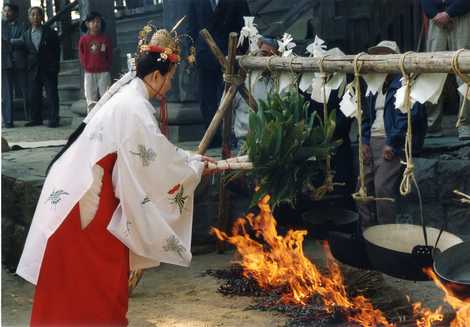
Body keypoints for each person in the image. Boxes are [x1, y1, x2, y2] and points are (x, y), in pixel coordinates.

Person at [16, 24, 214, 326]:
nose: (171, 87)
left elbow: (153, 151)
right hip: (89, 199)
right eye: (170, 79)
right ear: (156, 76)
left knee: (82, 280)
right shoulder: (134, 106)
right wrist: (193, 167)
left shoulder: (127, 96)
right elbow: (155, 163)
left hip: (83, 189)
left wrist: (188, 158)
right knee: (101, 278)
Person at [357, 41, 427, 228]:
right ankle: (367, 231)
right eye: (377, 57)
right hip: (373, 140)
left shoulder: (404, 84)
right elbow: (365, 116)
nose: (380, 62)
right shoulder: (374, 85)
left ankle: (385, 234)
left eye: (384, 57)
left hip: (390, 143)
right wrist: (364, 141)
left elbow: (408, 117)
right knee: (362, 188)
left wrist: (393, 143)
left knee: (382, 188)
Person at [189, 0, 250, 148]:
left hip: (229, 52)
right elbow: (192, 24)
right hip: (204, 53)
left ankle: (231, 136)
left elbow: (245, 25)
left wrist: (241, 53)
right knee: (206, 98)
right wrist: (190, 50)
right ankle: (212, 138)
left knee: (229, 96)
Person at [420, 0, 470, 140]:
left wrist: (449, 13)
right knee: (431, 70)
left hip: (464, 16)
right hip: (436, 19)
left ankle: (466, 125)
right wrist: (434, 14)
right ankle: (432, 124)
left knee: (465, 72)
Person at [22, 6, 61, 127]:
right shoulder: (26, 34)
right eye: (32, 15)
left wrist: (55, 66)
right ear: (29, 18)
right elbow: (26, 52)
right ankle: (36, 119)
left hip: (48, 68)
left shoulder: (50, 33)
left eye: (37, 14)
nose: (35, 17)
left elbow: (56, 51)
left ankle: (53, 119)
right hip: (33, 69)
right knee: (34, 95)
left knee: (51, 95)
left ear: (42, 17)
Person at [79, 11, 113, 113]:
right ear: (87, 24)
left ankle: (107, 119)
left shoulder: (105, 39)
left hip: (104, 73)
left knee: (106, 97)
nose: (96, 24)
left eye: (98, 21)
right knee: (90, 99)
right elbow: (81, 56)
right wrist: (87, 66)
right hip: (89, 73)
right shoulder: (83, 40)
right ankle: (91, 122)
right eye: (93, 22)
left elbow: (109, 55)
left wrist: (106, 66)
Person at [1, 3, 28, 128]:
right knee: (7, 93)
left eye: (9, 11)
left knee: (25, 90)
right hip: (5, 62)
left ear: (15, 13)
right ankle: (8, 121)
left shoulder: (23, 25)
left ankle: (30, 118)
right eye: (4, 11)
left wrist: (9, 42)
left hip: (19, 61)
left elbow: (24, 40)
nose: (6, 13)